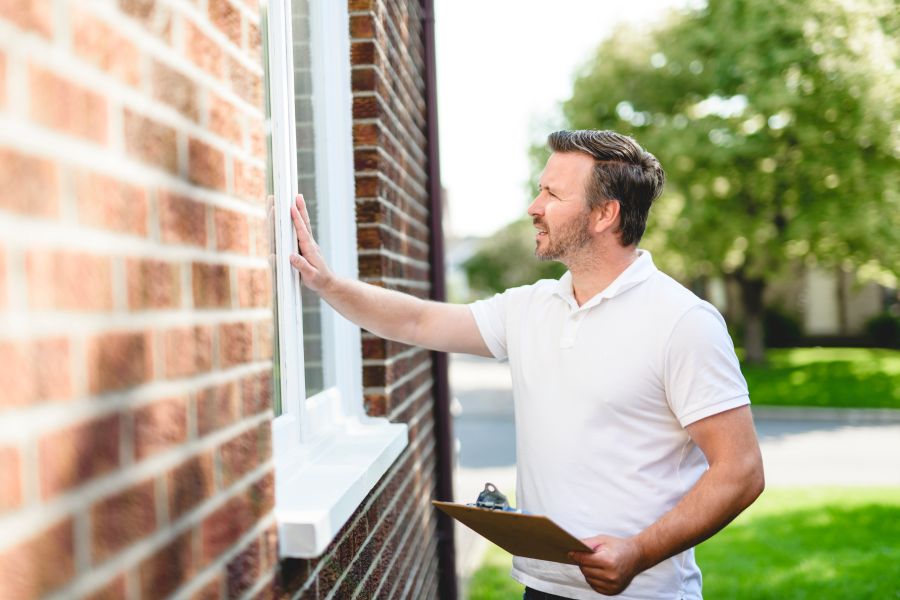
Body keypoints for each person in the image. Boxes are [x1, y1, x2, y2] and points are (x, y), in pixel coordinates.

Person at [288, 129, 764, 599]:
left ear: (604, 213)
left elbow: (740, 471)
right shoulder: (531, 306)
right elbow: (416, 322)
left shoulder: (682, 321)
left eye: (552, 194)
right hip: (541, 588)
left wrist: (636, 553)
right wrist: (327, 284)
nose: (533, 207)